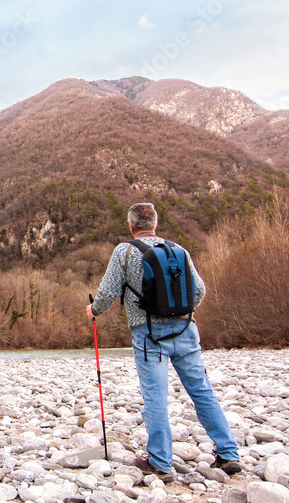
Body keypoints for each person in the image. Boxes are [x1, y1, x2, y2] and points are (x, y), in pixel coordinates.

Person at [85, 202, 241, 483]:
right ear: (155, 224)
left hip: (148, 335)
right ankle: (229, 454)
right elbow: (199, 290)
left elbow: (107, 294)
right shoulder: (177, 250)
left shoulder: (125, 251)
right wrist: (180, 312)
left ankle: (159, 461)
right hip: (186, 330)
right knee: (202, 391)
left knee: (155, 397)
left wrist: (93, 310)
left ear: (131, 227)